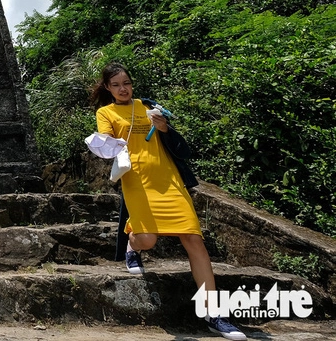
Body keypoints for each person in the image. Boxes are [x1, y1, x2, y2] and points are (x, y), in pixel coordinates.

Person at [92, 62, 246, 341]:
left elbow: (174, 143)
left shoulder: (148, 106)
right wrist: (105, 144)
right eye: (115, 85)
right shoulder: (106, 112)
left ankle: (213, 314)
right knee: (148, 240)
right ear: (107, 88)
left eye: (126, 83)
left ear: (131, 83)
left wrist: (163, 127)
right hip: (136, 181)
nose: (122, 89)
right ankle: (132, 242)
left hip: (169, 179)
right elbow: (106, 143)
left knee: (194, 240)